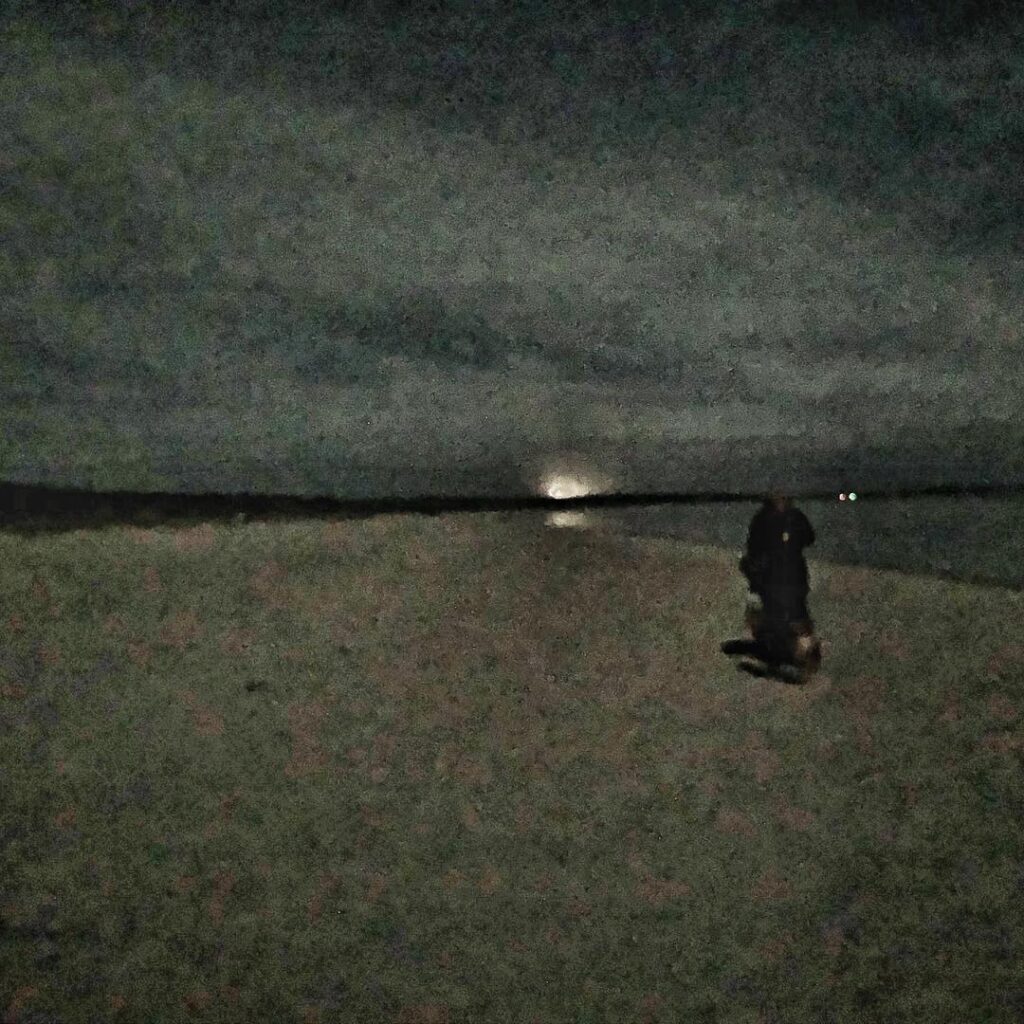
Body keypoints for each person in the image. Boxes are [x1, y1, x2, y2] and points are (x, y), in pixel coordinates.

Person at [736, 494, 820, 676]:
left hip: (781, 579)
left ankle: (801, 660)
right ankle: (788, 657)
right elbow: (809, 538)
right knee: (781, 618)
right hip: (783, 578)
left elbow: (754, 548)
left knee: (791, 618)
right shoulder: (787, 517)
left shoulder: (770, 518)